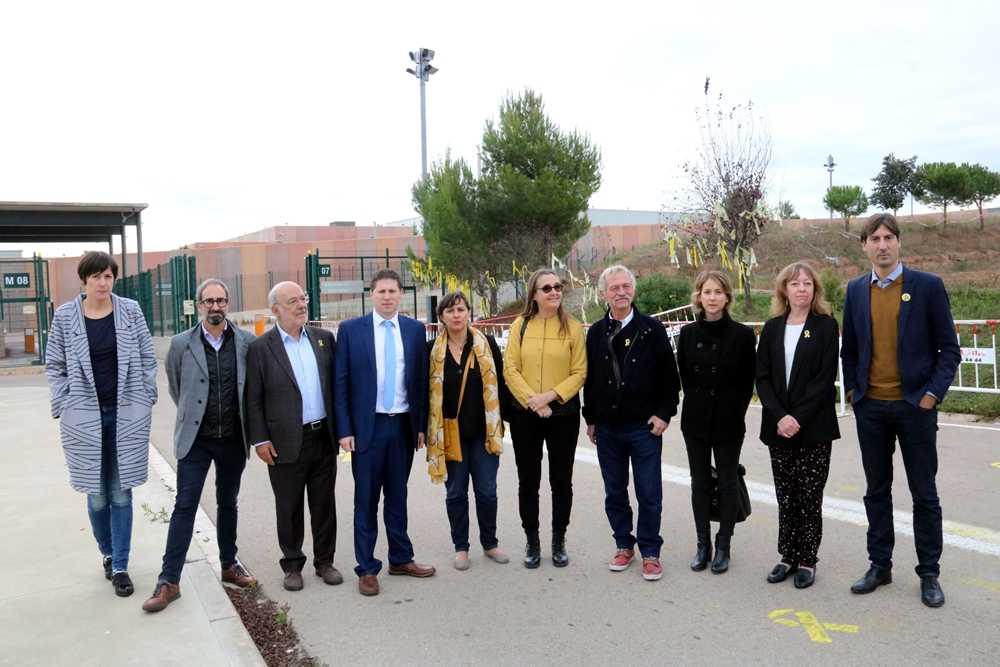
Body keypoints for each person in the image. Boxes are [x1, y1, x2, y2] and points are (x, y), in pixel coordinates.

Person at [841, 213, 960, 608]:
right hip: (872, 408)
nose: (882, 244)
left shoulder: (927, 286)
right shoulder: (856, 290)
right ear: (864, 245)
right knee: (876, 491)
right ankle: (880, 565)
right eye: (874, 238)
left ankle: (929, 573)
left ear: (899, 242)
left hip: (915, 408)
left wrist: (931, 396)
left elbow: (949, 350)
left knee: (924, 494)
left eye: (889, 237)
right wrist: (857, 394)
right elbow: (851, 350)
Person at [46, 251, 157, 598]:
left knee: (121, 491)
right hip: (83, 418)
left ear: (114, 279)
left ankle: (121, 566)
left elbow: (146, 355)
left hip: (126, 414)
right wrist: (64, 402)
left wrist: (146, 395)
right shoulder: (65, 317)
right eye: (95, 277)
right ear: (84, 280)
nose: (102, 283)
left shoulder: (130, 311)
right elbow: (55, 364)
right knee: (96, 495)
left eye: (108, 276)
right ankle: (107, 553)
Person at [142, 279, 257, 613]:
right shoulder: (180, 344)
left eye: (220, 300)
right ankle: (169, 581)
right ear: (199, 305)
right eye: (209, 301)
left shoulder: (246, 342)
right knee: (185, 506)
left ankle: (229, 564)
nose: (215, 306)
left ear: (228, 303)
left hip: (233, 438)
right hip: (196, 440)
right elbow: (178, 390)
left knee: (228, 502)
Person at [334, 269, 435, 597]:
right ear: (372, 294)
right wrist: (344, 430)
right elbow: (341, 384)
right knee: (365, 498)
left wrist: (420, 425)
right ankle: (366, 567)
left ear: (400, 295)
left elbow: (419, 382)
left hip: (402, 426)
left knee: (398, 495)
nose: (388, 297)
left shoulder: (414, 330)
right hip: (367, 428)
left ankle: (401, 558)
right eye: (382, 292)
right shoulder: (351, 331)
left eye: (393, 291)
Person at [583, 265, 680, 582]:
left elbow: (670, 378)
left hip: (644, 427)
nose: (621, 292)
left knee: (649, 492)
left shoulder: (652, 329)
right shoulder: (596, 332)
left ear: (633, 290)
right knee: (614, 491)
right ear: (603, 294)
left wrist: (664, 414)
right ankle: (624, 545)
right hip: (608, 428)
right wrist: (591, 418)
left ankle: (650, 552)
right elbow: (592, 380)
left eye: (626, 286)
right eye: (614, 288)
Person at [245, 281, 341, 592]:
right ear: (275, 310)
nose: (301, 305)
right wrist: (260, 440)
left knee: (324, 504)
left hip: (322, 436)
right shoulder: (261, 348)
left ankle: (325, 562)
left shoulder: (324, 339)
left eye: (303, 299)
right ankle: (292, 565)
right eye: (293, 301)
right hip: (284, 442)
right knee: (288, 507)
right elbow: (253, 399)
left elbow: (336, 389)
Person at [755, 262, 841, 589]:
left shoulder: (825, 326)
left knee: (809, 496)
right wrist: (780, 416)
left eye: (807, 283)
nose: (801, 289)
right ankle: (787, 556)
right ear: (784, 290)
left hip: (813, 427)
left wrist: (797, 417)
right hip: (779, 427)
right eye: (795, 284)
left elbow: (823, 380)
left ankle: (807, 559)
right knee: (786, 495)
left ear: (815, 289)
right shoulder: (773, 327)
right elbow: (762, 377)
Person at [503, 269, 587, 568]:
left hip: (562, 413)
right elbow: (510, 368)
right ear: (534, 295)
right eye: (547, 288)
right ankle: (532, 539)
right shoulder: (520, 325)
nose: (554, 292)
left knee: (561, 480)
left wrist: (549, 396)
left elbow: (580, 372)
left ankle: (558, 539)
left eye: (558, 286)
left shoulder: (573, 328)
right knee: (529, 481)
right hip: (526, 414)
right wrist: (533, 401)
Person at [676, 269, 755, 574]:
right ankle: (702, 544)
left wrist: (734, 412)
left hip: (728, 421)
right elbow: (684, 376)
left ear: (727, 297)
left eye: (718, 292)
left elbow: (748, 383)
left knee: (727, 480)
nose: (712, 298)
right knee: (699, 482)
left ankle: (724, 544)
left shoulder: (743, 335)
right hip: (695, 420)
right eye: (707, 292)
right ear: (699, 296)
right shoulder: (688, 334)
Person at [426, 291, 509, 570]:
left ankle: (490, 543)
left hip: (484, 433)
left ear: (469, 313)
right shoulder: (431, 350)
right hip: (450, 435)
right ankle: (461, 547)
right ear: (442, 317)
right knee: (456, 493)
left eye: (460, 309)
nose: (456, 315)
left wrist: (506, 422)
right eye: (450, 311)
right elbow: (423, 394)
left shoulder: (486, 345)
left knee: (487, 491)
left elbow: (502, 385)